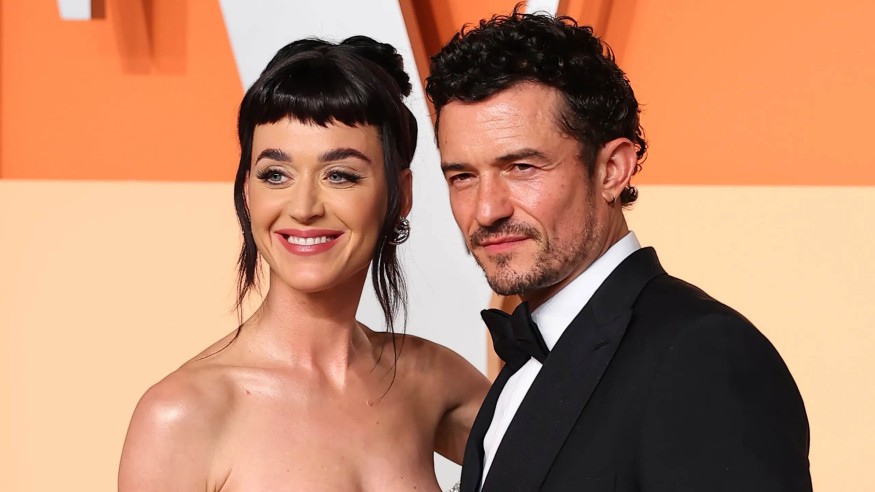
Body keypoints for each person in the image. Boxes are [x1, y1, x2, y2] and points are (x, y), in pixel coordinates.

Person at [426, 8, 812, 492]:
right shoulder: (524, 366)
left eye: (522, 167)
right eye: (462, 176)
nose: (486, 210)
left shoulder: (701, 354)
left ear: (611, 170)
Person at [118, 36, 489, 492]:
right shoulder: (181, 416)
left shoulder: (432, 381)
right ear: (247, 192)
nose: (303, 207)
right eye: (276, 174)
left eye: (340, 175)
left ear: (401, 196)